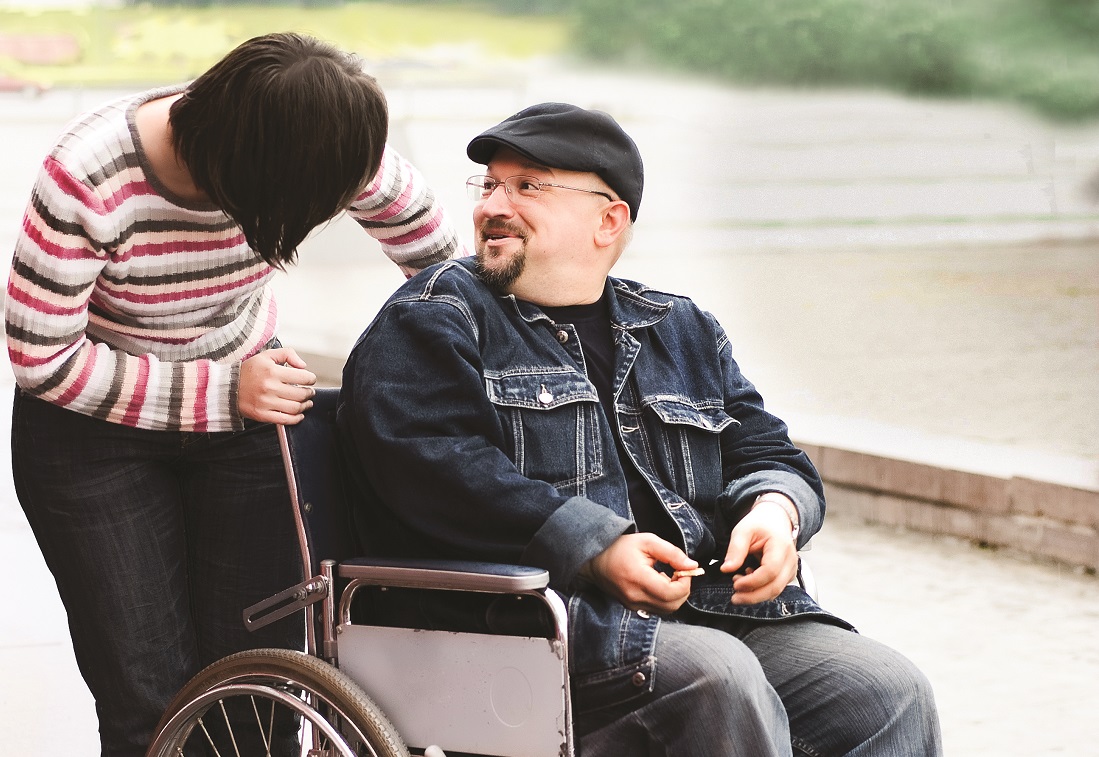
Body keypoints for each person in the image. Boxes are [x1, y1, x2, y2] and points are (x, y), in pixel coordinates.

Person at [338, 102, 943, 756]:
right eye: (488, 184)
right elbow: (434, 467)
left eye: (528, 185)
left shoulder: (680, 329)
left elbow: (767, 451)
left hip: (709, 607)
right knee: (718, 676)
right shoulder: (435, 317)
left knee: (888, 687)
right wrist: (596, 546)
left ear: (607, 220)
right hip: (534, 626)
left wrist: (776, 510)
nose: (492, 204)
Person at [6, 32, 461, 756]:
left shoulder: (319, 132)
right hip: (91, 437)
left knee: (261, 685)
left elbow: (436, 255)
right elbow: (42, 360)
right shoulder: (89, 176)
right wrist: (223, 392)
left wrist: (453, 356)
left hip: (249, 417)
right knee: (150, 698)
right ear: (246, 170)